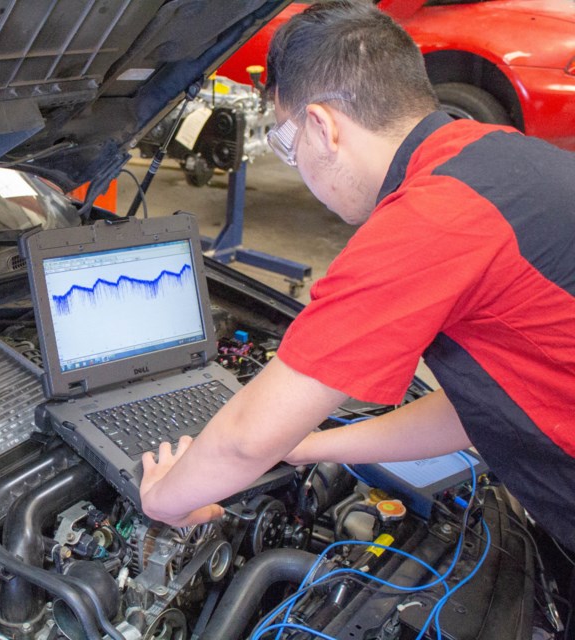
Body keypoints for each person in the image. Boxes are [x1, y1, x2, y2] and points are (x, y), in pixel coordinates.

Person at [138, 0, 575, 550]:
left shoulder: (432, 220)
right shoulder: (492, 155)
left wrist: (161, 499)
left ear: (321, 126)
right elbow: (488, 406)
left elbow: (244, 442)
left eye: (286, 141)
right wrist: (310, 446)